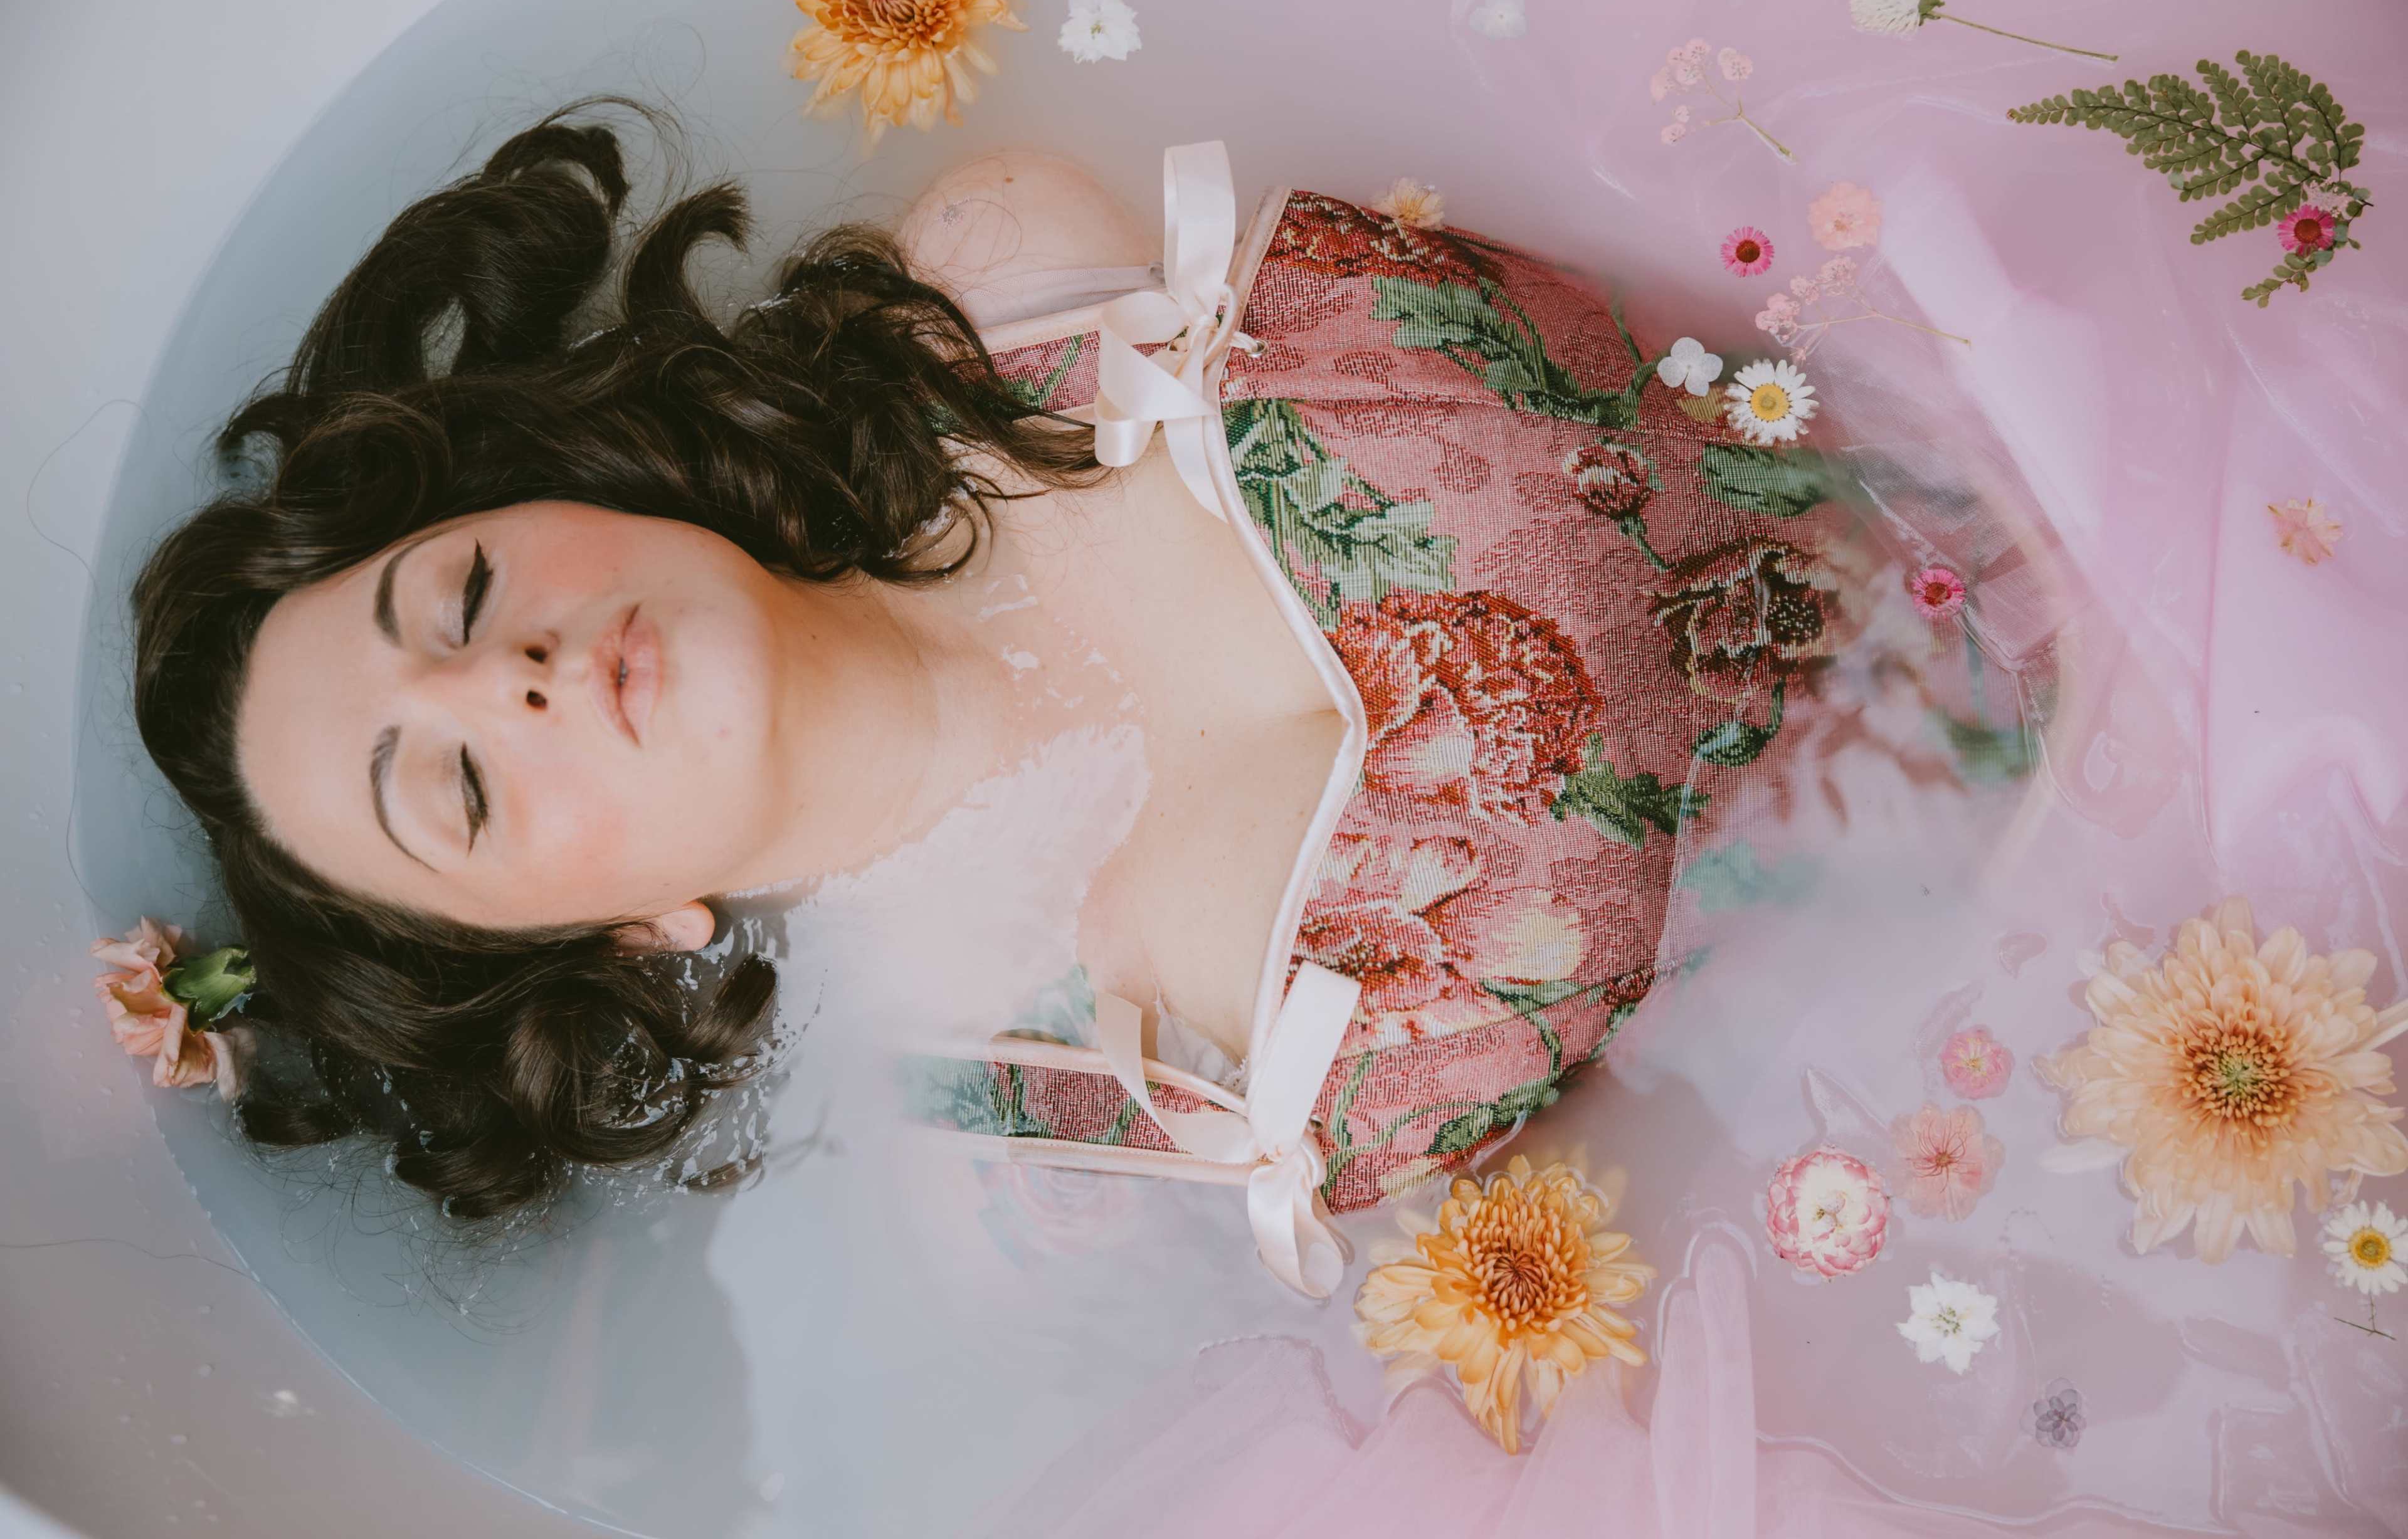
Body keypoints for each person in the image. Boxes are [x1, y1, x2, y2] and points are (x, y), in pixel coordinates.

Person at [130, 102, 1846, 1286]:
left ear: (550, 491)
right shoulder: (1043, 1144)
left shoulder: (1018, 280)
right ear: (626, 933)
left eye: (462, 594)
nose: (507, 677)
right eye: (466, 792)